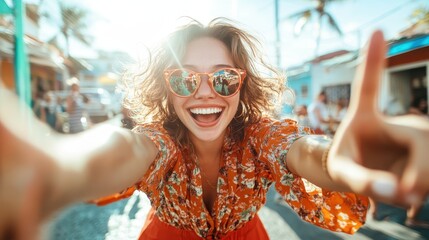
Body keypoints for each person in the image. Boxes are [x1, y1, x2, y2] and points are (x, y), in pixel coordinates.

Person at [1, 18, 429, 240]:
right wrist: (61, 168)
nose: (205, 93)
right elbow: (124, 148)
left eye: (224, 78)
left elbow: (302, 150)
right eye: (185, 79)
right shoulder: (159, 139)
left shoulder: (261, 135)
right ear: (167, 91)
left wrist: (338, 157)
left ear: (243, 87)